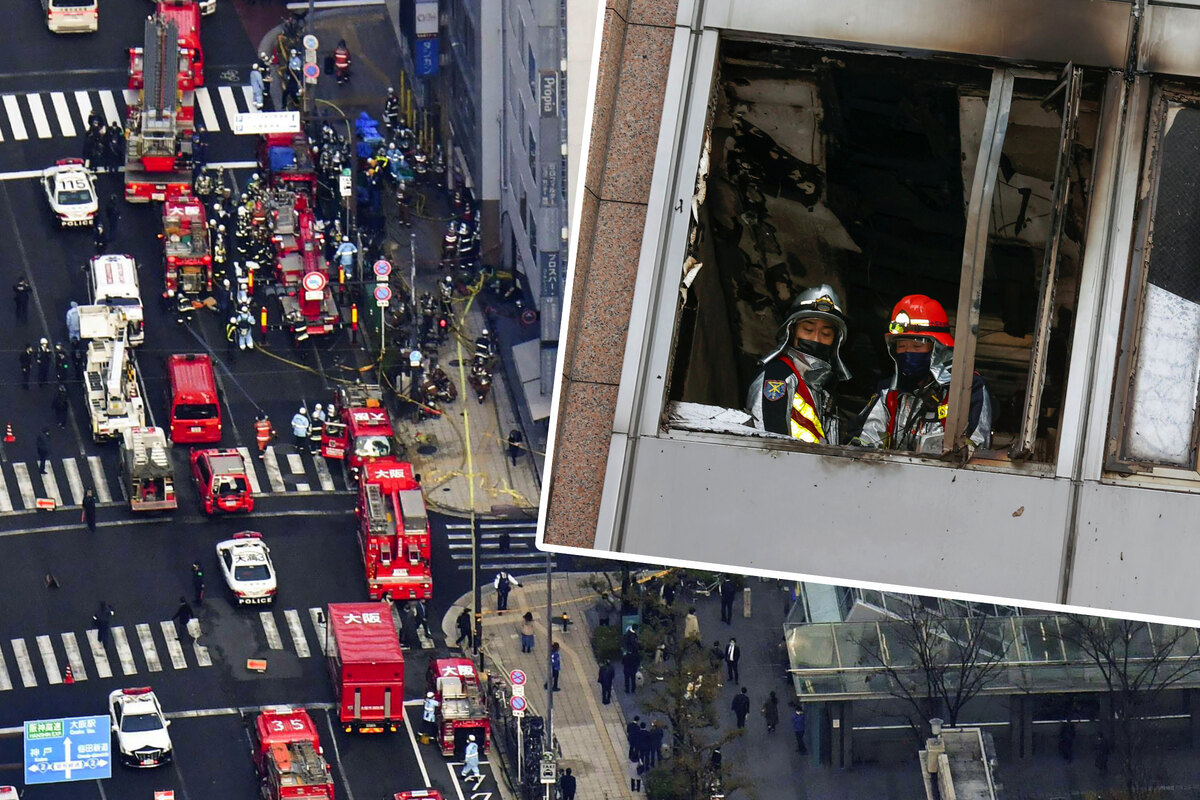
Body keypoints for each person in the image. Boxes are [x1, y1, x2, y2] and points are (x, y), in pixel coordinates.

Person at [853, 294, 992, 453]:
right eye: (902, 346)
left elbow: (976, 448)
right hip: (892, 475)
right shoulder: (889, 391)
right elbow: (864, 441)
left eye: (917, 346)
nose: (908, 352)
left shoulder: (967, 388)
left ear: (937, 348)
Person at [746, 284, 852, 444]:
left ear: (835, 341)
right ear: (792, 331)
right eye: (808, 330)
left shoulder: (823, 387)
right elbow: (768, 446)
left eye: (826, 334)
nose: (816, 339)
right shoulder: (777, 377)